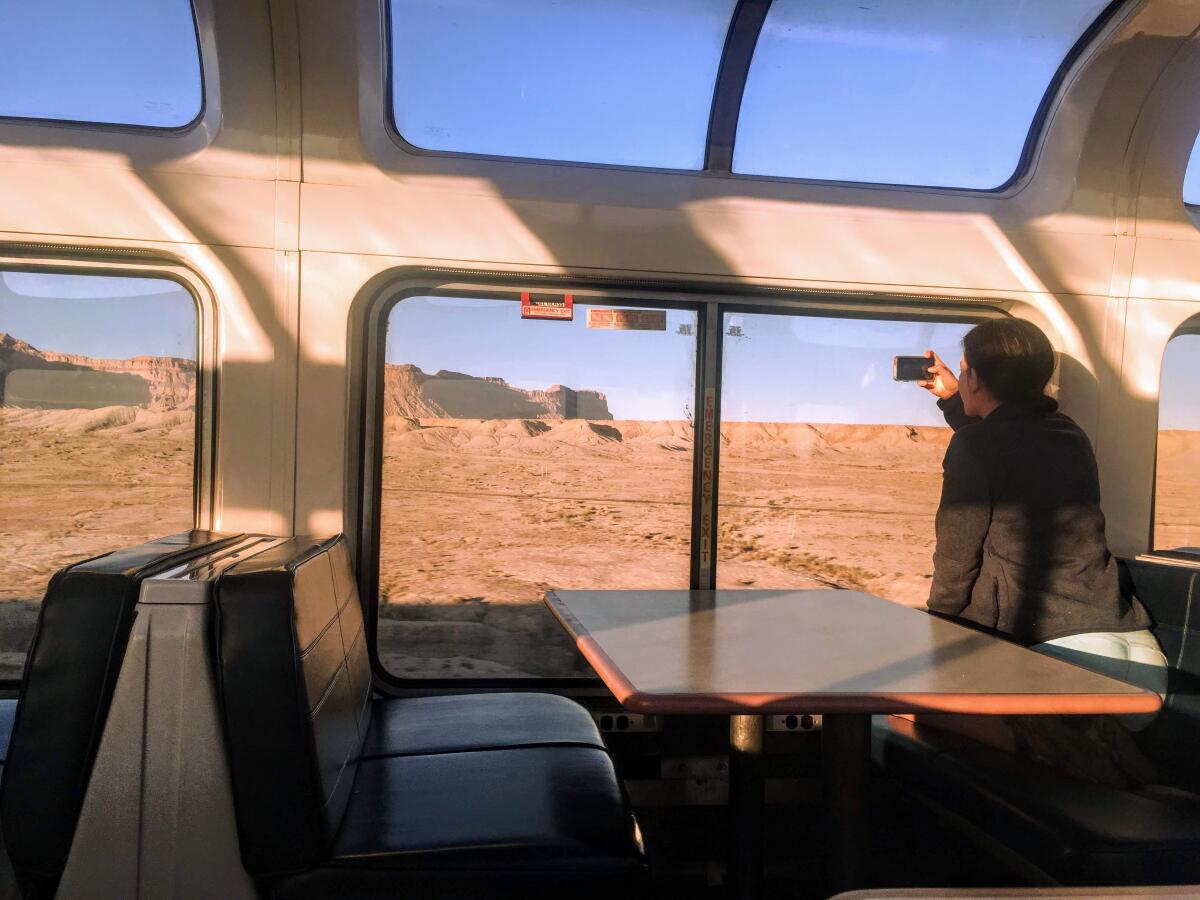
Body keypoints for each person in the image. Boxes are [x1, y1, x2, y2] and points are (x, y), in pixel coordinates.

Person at [913, 318, 1168, 787]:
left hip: (1063, 665)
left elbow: (956, 557)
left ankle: (1075, 754)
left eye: (967, 370)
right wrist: (955, 399)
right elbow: (1006, 440)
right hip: (1135, 653)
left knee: (913, 718)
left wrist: (940, 633)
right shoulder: (1068, 433)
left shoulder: (976, 445)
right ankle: (1103, 758)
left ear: (975, 377)